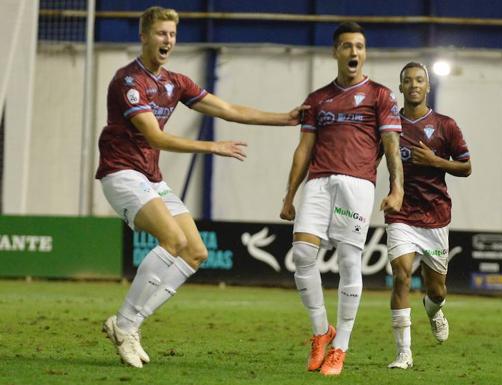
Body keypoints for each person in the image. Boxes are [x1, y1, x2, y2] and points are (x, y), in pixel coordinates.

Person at [96, 6, 306, 368]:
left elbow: (226, 108)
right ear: (144, 36)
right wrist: (212, 146)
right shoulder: (128, 82)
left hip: (150, 178)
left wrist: (284, 118)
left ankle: (128, 323)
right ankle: (127, 324)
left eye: (173, 35)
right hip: (121, 174)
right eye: (161, 34)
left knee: (195, 251)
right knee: (173, 240)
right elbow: (154, 136)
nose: (168, 41)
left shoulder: (174, 81)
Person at [279, 22, 404, 376]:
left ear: (365, 53)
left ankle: (340, 348)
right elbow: (303, 149)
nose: (354, 52)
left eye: (360, 47)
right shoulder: (317, 99)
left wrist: (397, 188)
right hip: (318, 182)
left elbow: (392, 146)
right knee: (303, 253)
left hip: (357, 184)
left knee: (350, 261)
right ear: (335, 52)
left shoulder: (380, 96)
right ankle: (321, 332)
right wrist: (289, 195)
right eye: (347, 46)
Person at [385, 62, 471, 369]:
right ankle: (403, 353)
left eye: (419, 80)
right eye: (407, 80)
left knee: (437, 290)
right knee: (401, 277)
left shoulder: (446, 125)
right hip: (401, 214)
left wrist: (436, 161)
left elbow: (466, 167)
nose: (413, 85)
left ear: (427, 86)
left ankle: (434, 311)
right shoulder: (390, 125)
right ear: (401, 87)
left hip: (435, 217)